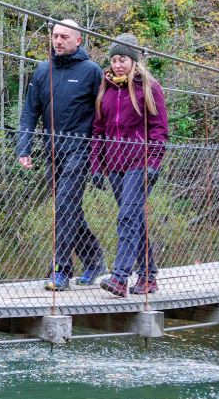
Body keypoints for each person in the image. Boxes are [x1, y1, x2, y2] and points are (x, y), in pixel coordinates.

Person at [17, 19, 106, 291]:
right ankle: (95, 261)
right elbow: (30, 112)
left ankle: (61, 271)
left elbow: (104, 116)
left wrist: (101, 158)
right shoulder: (43, 71)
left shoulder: (92, 71)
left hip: (81, 148)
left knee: (64, 207)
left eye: (64, 36)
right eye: (55, 36)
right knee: (68, 208)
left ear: (78, 40)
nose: (58, 41)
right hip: (52, 150)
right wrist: (24, 147)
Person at [90, 33, 170, 297]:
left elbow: (159, 129)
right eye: (114, 59)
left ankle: (120, 278)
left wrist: (154, 163)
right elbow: (98, 129)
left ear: (133, 60)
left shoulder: (149, 87)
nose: (118, 64)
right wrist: (96, 165)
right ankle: (148, 277)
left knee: (127, 217)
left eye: (123, 59)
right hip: (114, 164)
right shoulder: (106, 88)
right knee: (134, 218)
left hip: (141, 162)